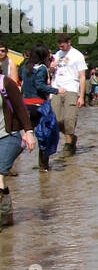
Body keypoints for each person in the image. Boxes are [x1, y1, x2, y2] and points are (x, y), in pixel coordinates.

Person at [0, 71, 36, 228]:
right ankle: (6, 215)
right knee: (1, 180)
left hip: (9, 135)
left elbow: (20, 108)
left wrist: (29, 132)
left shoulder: (6, 83)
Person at [19, 44, 58, 170]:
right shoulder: (41, 68)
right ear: (44, 56)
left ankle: (9, 166)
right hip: (39, 106)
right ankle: (44, 167)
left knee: (25, 135)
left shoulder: (25, 67)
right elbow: (40, 86)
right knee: (45, 137)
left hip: (25, 106)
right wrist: (56, 90)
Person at [50, 33, 86, 156]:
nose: (61, 45)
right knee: (56, 119)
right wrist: (52, 68)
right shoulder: (57, 54)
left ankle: (69, 144)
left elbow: (82, 76)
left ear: (69, 42)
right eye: (59, 43)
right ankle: (71, 138)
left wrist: (81, 96)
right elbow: (51, 72)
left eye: (63, 43)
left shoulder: (77, 55)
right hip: (56, 89)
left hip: (72, 89)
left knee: (69, 119)